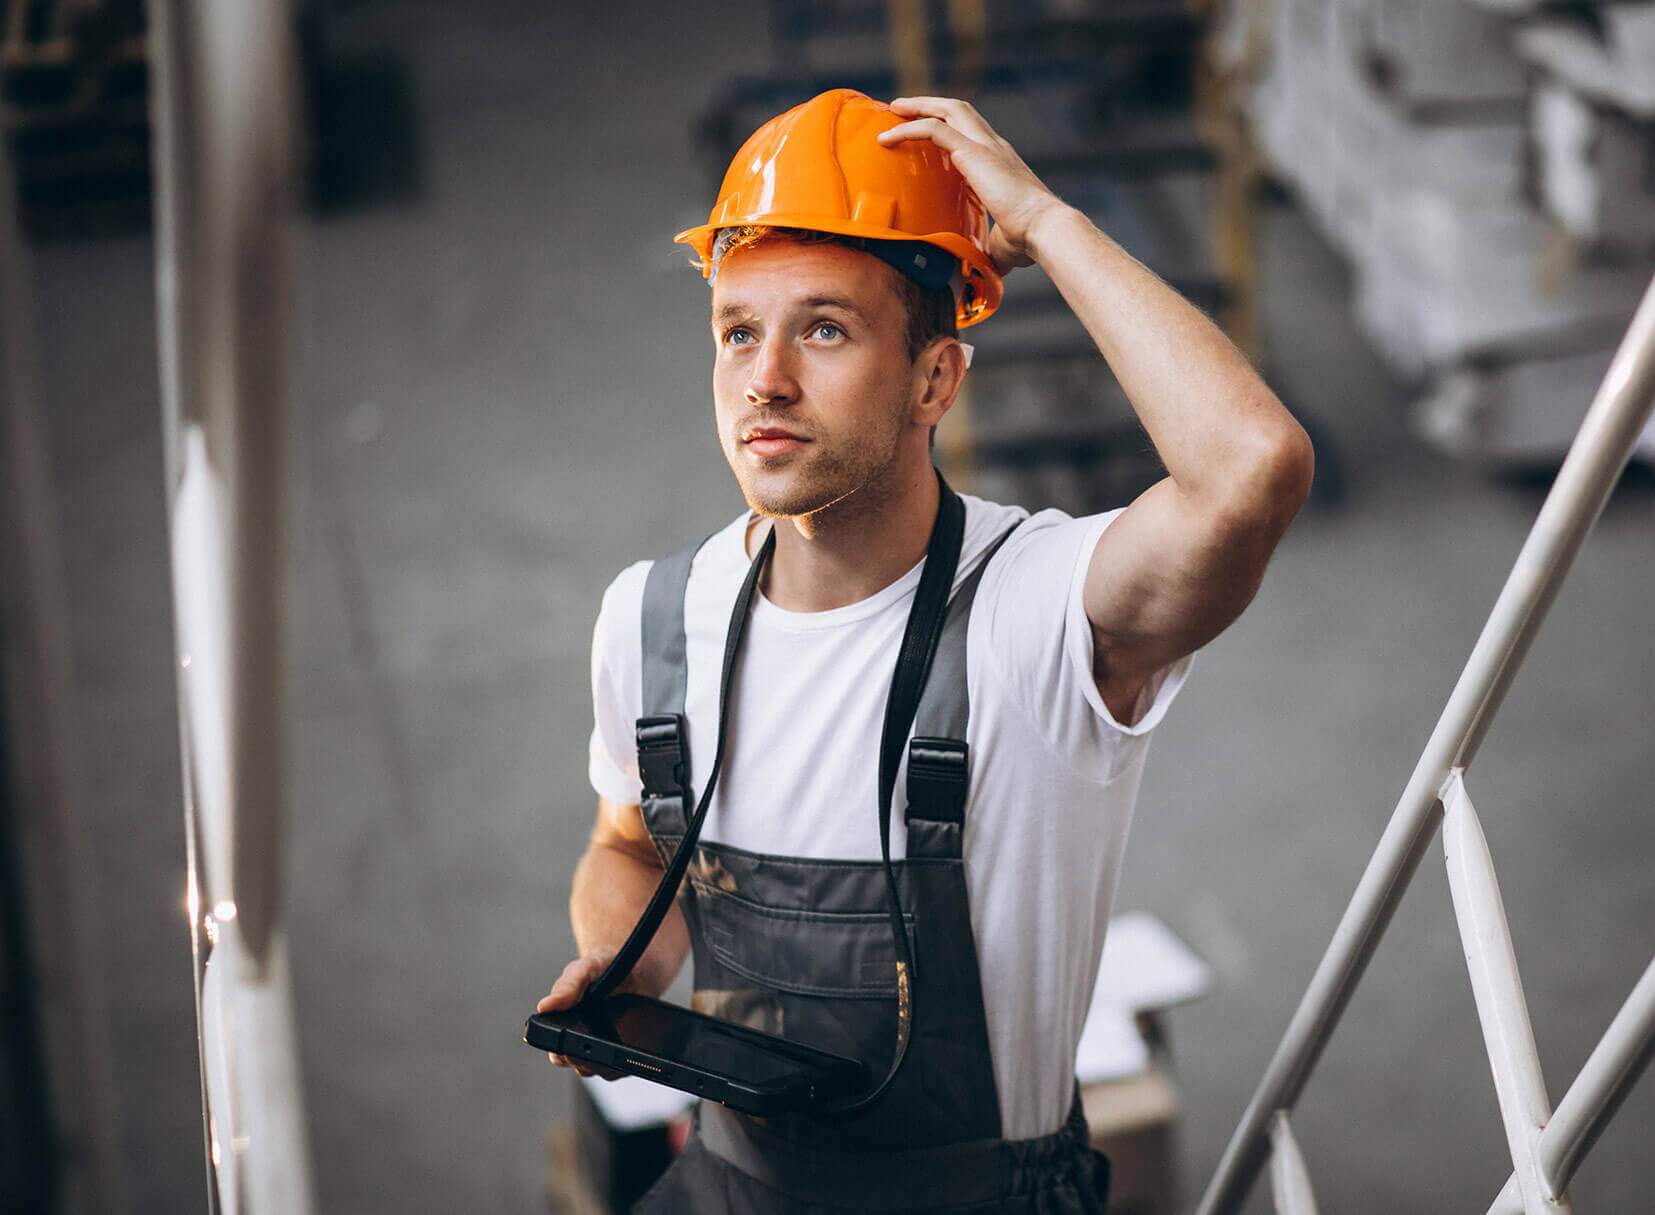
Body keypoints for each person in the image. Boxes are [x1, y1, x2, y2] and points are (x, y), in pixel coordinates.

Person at [536, 87, 1313, 1211]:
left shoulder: (1038, 613)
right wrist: (628, 969)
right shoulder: (654, 621)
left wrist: (1042, 222)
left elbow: (1250, 468)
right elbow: (629, 850)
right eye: (738, 330)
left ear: (935, 379)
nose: (764, 378)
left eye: (824, 328)